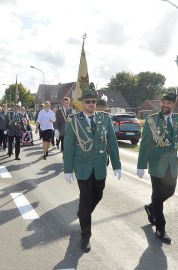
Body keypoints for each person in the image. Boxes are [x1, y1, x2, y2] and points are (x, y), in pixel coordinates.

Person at [63, 84, 122, 252]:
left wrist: (117, 165)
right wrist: (67, 169)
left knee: (98, 194)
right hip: (82, 167)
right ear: (82, 103)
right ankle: (85, 236)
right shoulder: (73, 121)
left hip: (100, 166)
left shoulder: (105, 119)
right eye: (87, 101)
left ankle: (83, 214)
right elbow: (68, 147)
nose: (91, 104)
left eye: (93, 101)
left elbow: (112, 143)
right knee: (86, 198)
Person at [137, 89, 178, 244]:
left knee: (170, 191)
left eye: (168, 103)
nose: (165, 105)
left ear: (173, 104)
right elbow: (145, 144)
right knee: (157, 194)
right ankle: (160, 229)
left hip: (172, 164)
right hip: (156, 163)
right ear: (160, 103)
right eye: (163, 102)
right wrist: (141, 165)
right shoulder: (152, 120)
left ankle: (151, 207)